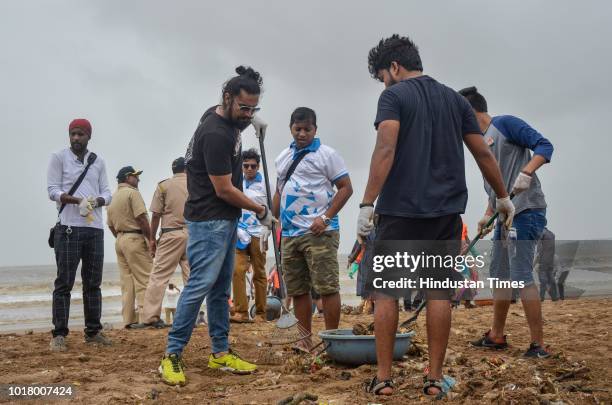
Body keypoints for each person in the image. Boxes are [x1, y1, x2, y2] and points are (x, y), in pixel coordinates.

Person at [357, 35, 513, 397]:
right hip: (445, 210)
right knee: (439, 293)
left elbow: (385, 147)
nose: (384, 83)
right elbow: (483, 154)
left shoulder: (393, 97)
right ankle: (433, 380)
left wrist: (367, 203)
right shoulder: (455, 100)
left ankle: (383, 380)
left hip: (398, 210)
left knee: (386, 292)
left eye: (383, 75)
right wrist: (503, 196)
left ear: (394, 67)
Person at [159, 66, 275, 386]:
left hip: (224, 219)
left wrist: (251, 120)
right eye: (244, 108)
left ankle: (220, 353)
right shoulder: (216, 134)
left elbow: (237, 116)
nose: (248, 114)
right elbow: (224, 189)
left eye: (254, 108)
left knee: (222, 288)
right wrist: (261, 209)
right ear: (227, 98)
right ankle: (172, 354)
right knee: (200, 285)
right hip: (208, 220)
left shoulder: (223, 115)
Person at [459, 86, 554, 358]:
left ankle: (538, 344)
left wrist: (527, 171)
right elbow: (495, 183)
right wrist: (488, 213)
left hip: (526, 211)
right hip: (504, 216)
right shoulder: (477, 143)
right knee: (499, 277)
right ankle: (496, 336)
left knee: (521, 275)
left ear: (469, 111)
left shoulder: (505, 124)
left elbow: (544, 146)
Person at [272, 107, 353, 351]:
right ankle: (304, 341)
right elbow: (279, 190)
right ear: (291, 129)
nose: (302, 134)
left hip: (319, 232)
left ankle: (331, 341)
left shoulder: (327, 155)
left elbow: (346, 188)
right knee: (298, 290)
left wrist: (326, 217)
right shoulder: (282, 157)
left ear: (315, 129)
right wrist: (271, 217)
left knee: (327, 287)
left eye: (307, 129)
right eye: (298, 129)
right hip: (289, 233)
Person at [47, 118, 113, 351]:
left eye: (80, 134)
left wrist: (98, 201)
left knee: (93, 283)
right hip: (68, 228)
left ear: (89, 136)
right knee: (64, 282)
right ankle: (59, 334)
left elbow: (107, 192)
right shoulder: (59, 157)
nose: (76, 138)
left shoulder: (98, 161)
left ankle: (93, 332)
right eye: (73, 134)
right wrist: (77, 200)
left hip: (95, 229)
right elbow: (52, 190)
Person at [137, 157, 190, 328]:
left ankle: (150, 317)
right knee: (192, 277)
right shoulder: (196, 184)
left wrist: (152, 239)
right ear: (187, 169)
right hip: (193, 233)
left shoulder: (164, 186)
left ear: (173, 170)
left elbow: (156, 215)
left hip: (171, 234)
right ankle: (189, 317)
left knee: (159, 276)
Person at [107, 166, 153, 328]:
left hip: (120, 239)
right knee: (145, 279)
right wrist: (150, 239)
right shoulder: (132, 193)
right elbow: (141, 218)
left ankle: (128, 320)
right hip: (135, 237)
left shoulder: (112, 198)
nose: (138, 179)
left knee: (127, 284)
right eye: (135, 176)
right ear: (127, 177)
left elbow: (110, 225)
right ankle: (147, 318)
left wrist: (121, 238)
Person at [231, 148, 269, 323]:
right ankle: (241, 312)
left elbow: (273, 209)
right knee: (237, 271)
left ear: (258, 166)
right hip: (240, 232)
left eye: (253, 166)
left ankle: (261, 313)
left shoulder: (267, 184)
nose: (249, 169)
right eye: (246, 165)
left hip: (259, 233)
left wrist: (269, 229)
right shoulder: (236, 182)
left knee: (259, 273)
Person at [535, 228, 558, 301]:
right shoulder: (551, 234)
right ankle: (554, 297)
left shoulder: (541, 233)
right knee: (551, 279)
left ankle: (541, 297)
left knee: (543, 280)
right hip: (550, 260)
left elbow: (539, 251)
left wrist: (535, 263)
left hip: (543, 260)